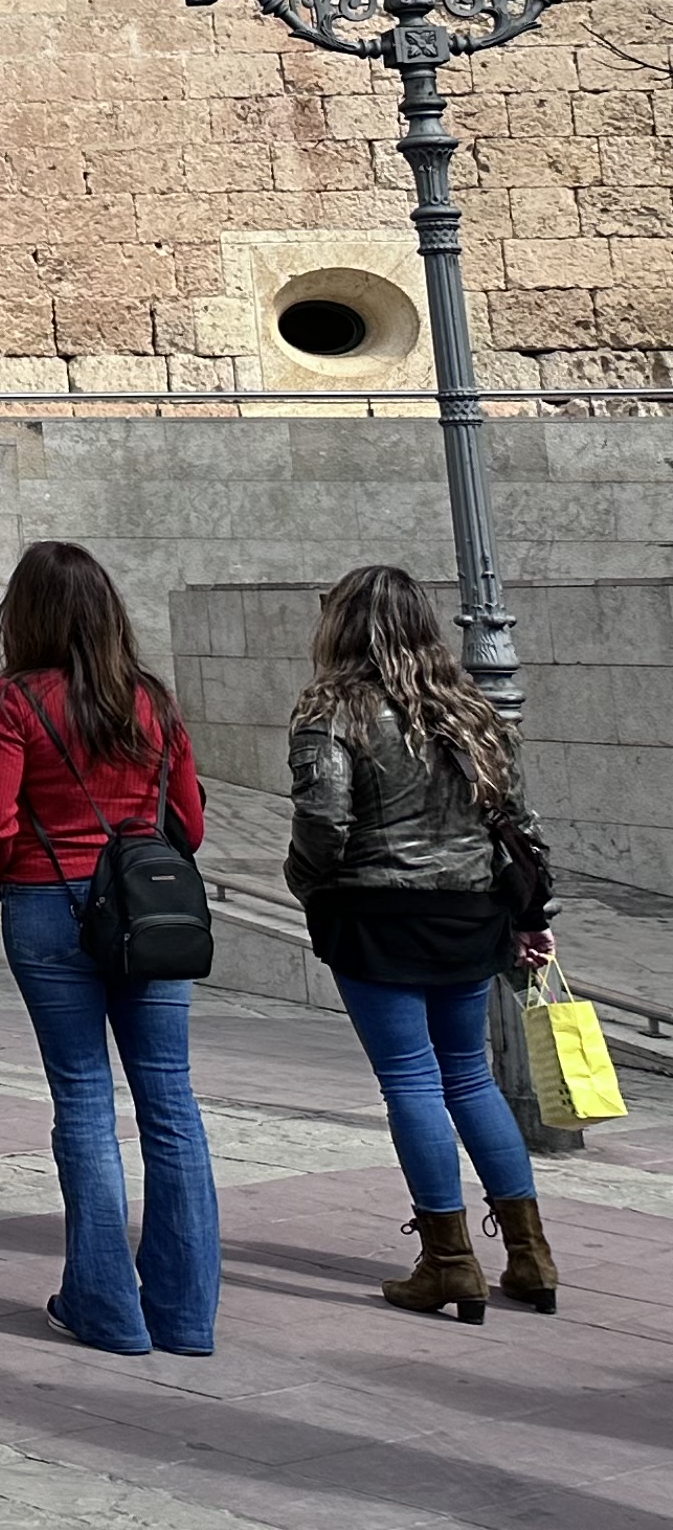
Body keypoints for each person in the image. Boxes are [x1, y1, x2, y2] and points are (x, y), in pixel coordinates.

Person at [286, 562, 558, 1323]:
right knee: (469, 1078)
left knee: (409, 1081)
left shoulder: (331, 708)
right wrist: (532, 918)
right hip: (468, 915)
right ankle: (531, 1255)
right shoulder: (468, 708)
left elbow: (325, 822)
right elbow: (519, 825)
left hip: (377, 917)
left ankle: (448, 1260)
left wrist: (308, 885)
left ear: (340, 625)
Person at [0, 539, 217, 1357]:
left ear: (26, 615)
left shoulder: (17, 699)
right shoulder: (152, 700)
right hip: (147, 913)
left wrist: (25, 864)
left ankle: (106, 1306)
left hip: (47, 903)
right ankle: (185, 1314)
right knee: (171, 1105)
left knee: (82, 1099)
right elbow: (191, 825)